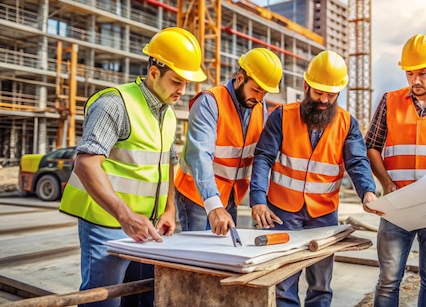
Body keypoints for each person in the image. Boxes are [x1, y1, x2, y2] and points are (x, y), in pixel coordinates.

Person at [59, 27, 207, 307]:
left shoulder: (168, 112)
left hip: (148, 227)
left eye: (186, 83)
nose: (182, 90)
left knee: (143, 297)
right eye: (177, 81)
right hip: (107, 222)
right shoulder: (114, 104)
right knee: (103, 301)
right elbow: (86, 164)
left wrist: (169, 209)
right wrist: (125, 216)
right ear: (153, 72)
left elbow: (169, 164)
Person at [249, 50, 380, 307]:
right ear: (306, 86)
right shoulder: (281, 116)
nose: (324, 100)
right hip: (282, 212)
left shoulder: (346, 123)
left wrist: (367, 190)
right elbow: (263, 157)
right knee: (284, 281)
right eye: (319, 92)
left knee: (321, 285)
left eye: (331, 95)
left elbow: (357, 161)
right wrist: (257, 199)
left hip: (323, 214)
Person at [364, 34, 426, 307]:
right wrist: (385, 183)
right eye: (410, 74)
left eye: (422, 73)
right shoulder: (389, 101)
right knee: (388, 280)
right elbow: (371, 147)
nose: (415, 81)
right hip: (398, 206)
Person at [174, 48, 283, 235]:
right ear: (240, 78)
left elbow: (261, 155)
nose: (258, 98)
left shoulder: (258, 106)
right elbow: (200, 155)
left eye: (264, 93)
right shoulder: (210, 102)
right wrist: (213, 204)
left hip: (231, 195)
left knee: (221, 254)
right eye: (256, 89)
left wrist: (258, 199)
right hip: (198, 195)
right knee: (198, 255)